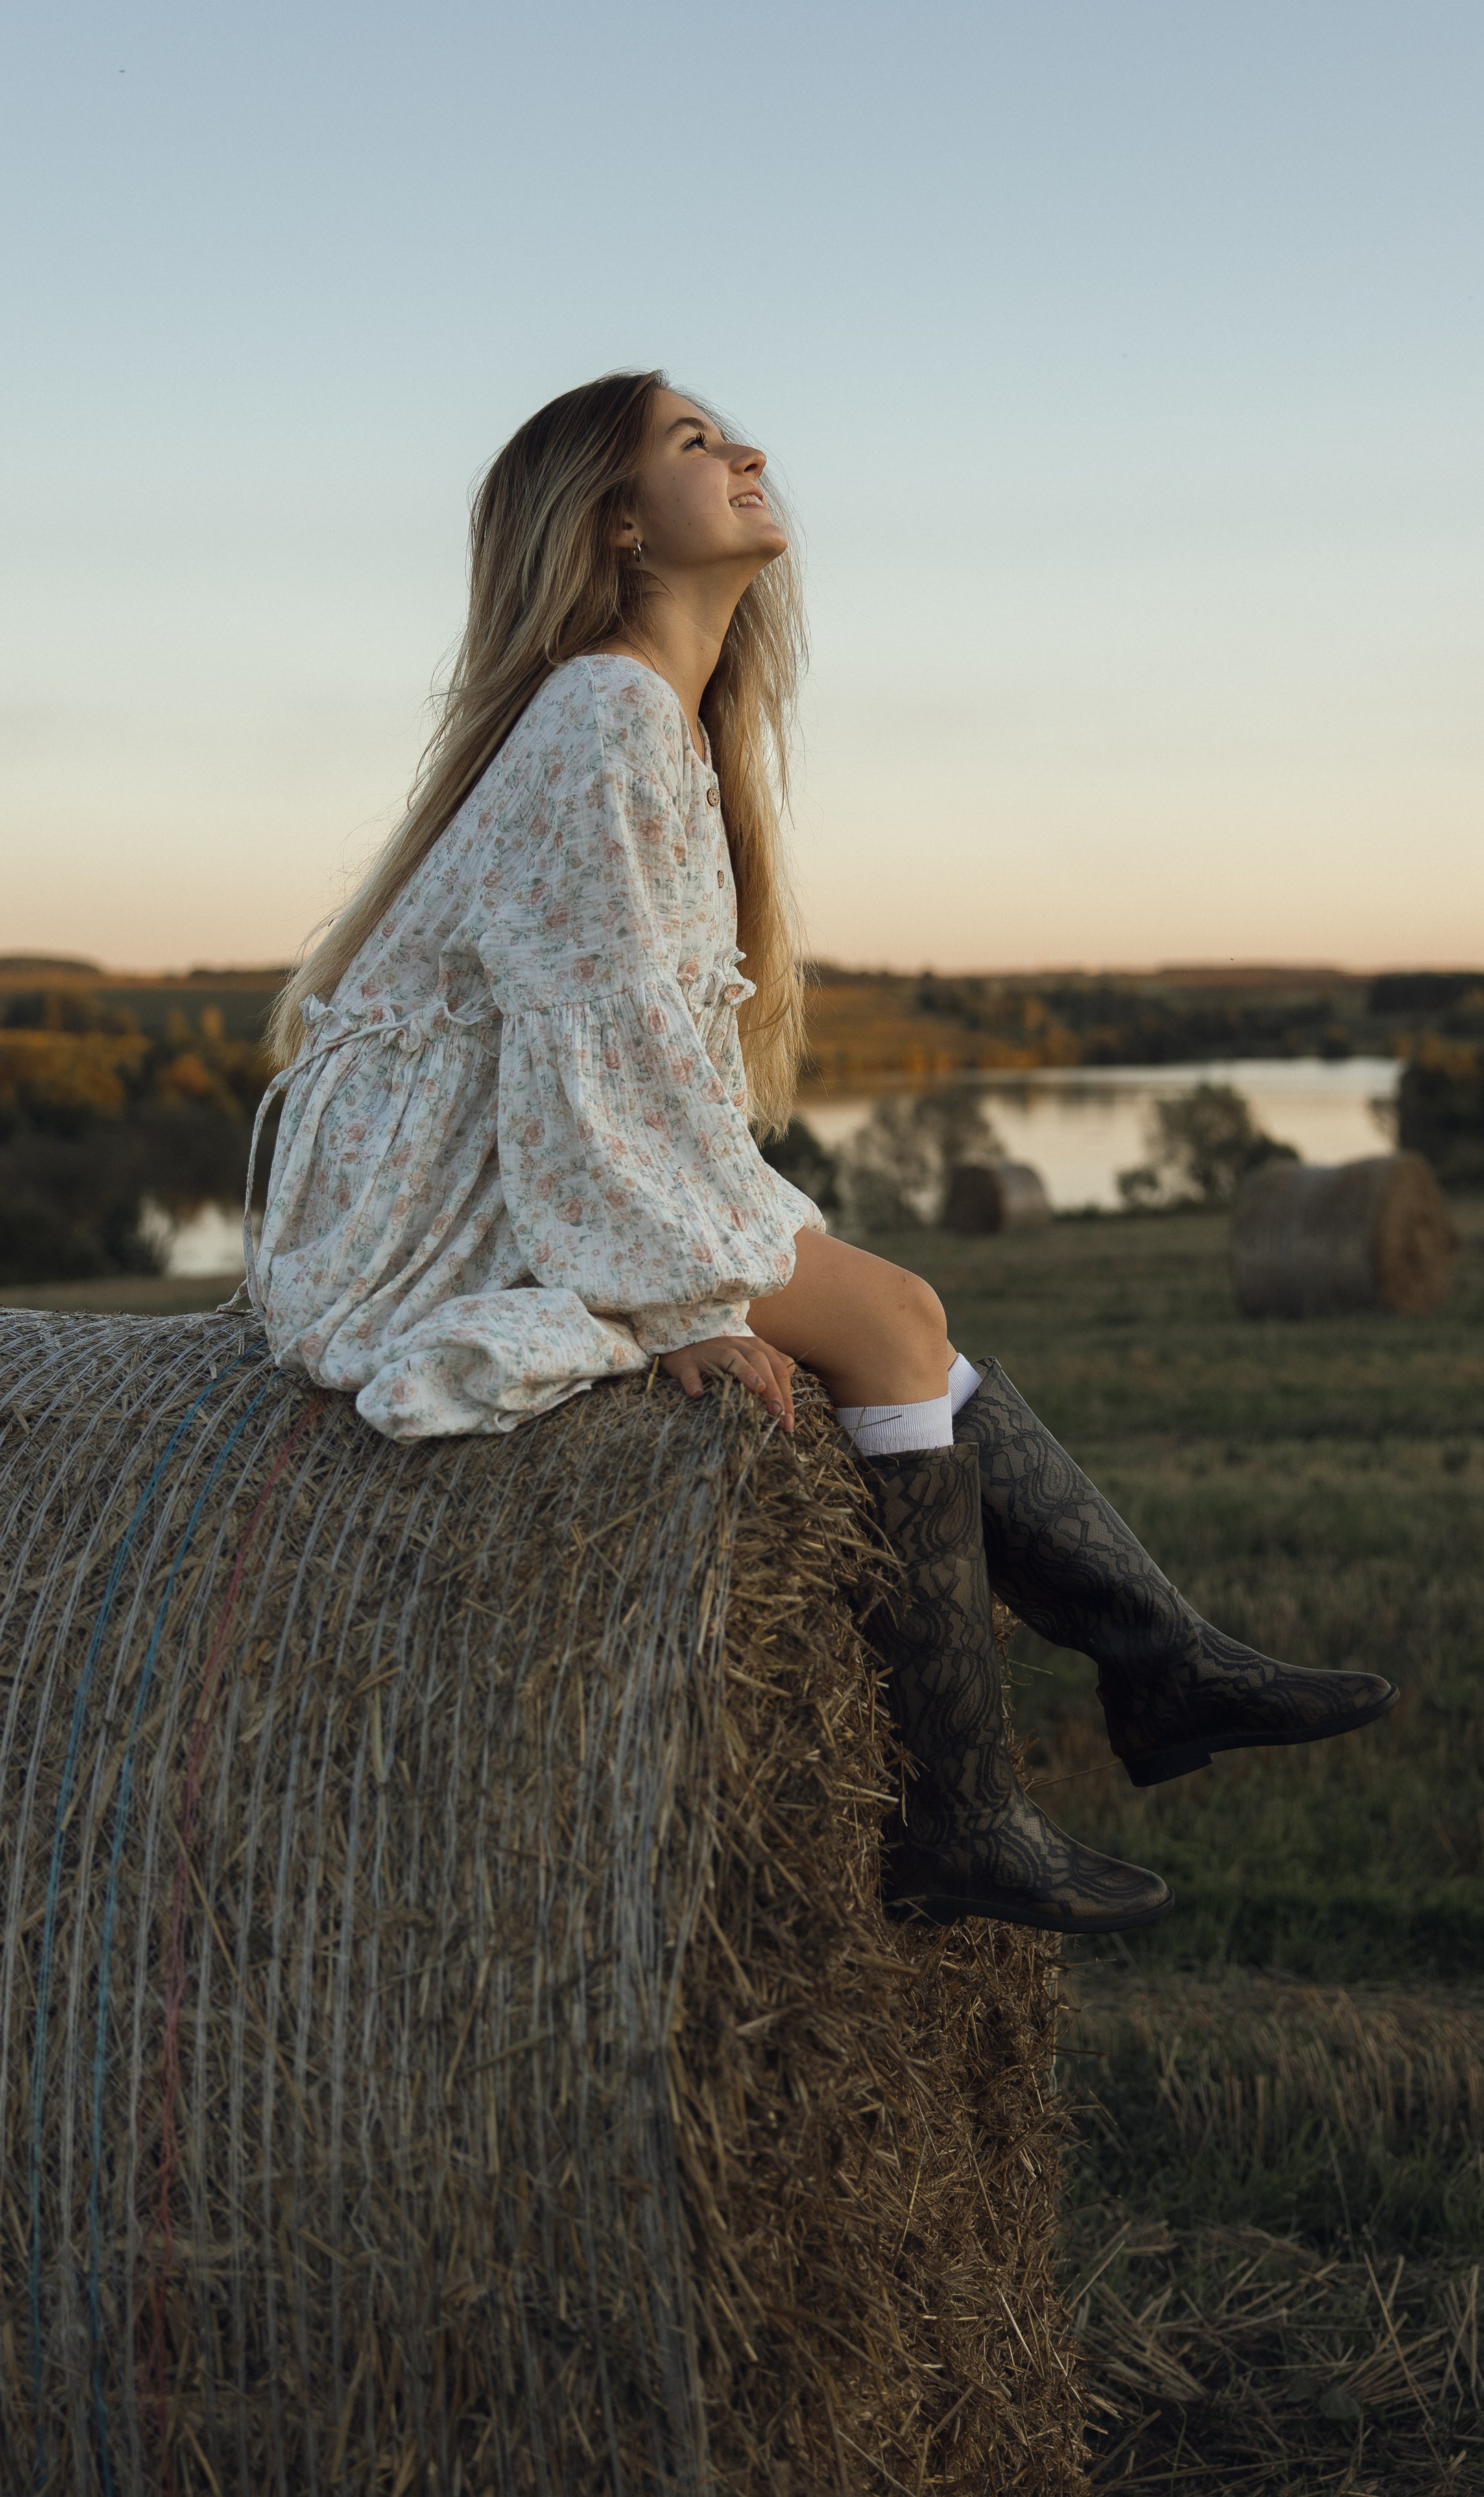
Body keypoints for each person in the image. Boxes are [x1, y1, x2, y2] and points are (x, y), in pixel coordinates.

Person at [251, 370, 1396, 1937]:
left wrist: (688, 1263)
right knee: (892, 1319)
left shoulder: (646, 717)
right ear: (612, 525)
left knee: (896, 1316)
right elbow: (583, 1049)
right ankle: (984, 1798)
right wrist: (672, 1307)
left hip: (519, 1146)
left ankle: (1148, 1669)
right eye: (693, 443)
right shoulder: (601, 709)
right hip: (428, 1191)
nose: (747, 453)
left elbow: (628, 1059)